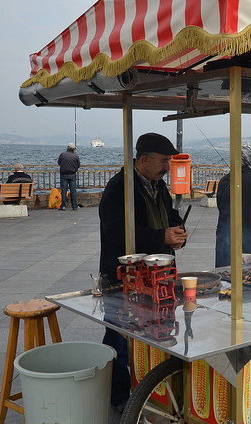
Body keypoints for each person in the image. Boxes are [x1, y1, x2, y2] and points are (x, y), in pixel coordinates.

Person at [98, 132, 188, 411]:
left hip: (159, 276)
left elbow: (169, 215)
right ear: (144, 160)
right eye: (163, 161)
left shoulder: (157, 185)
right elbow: (117, 233)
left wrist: (177, 230)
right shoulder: (119, 188)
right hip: (124, 277)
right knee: (119, 337)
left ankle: (151, 392)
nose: (166, 168)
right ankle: (120, 397)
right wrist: (162, 237)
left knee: (156, 331)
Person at [57, 143, 81, 210]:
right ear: (73, 149)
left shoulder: (62, 155)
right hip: (72, 174)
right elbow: (78, 165)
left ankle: (63, 206)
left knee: (64, 190)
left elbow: (59, 163)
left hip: (63, 174)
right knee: (73, 190)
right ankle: (74, 206)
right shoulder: (76, 156)